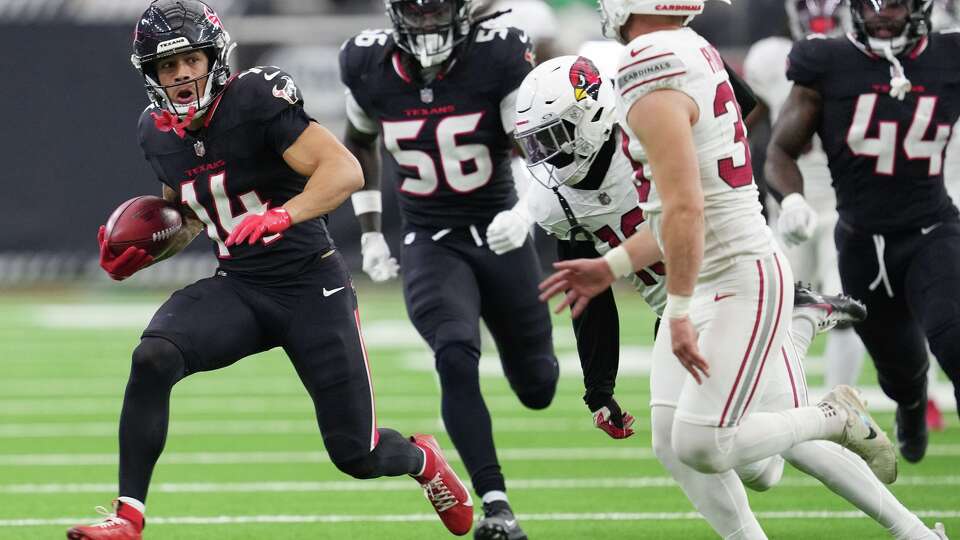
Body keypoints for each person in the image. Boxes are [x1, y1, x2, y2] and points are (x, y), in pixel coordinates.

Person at [67, 2, 473, 539]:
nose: (182, 75)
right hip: (242, 285)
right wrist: (144, 251)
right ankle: (128, 517)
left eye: (190, 59)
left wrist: (284, 213)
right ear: (151, 75)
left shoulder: (257, 99)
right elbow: (193, 215)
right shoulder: (156, 133)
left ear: (214, 58)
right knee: (154, 356)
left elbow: (344, 171)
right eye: (168, 67)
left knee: (357, 451)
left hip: (312, 285)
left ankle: (423, 461)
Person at [522, 54, 947, 540]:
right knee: (754, 468)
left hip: (734, 281)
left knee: (744, 441)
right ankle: (803, 327)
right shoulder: (556, 199)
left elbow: (709, 166)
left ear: (592, 115)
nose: (545, 158)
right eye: (534, 144)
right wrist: (600, 388)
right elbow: (588, 291)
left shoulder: (648, 128)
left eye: (553, 139)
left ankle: (911, 529)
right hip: (676, 305)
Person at [339, 1, 558, 538]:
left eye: (437, 9)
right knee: (455, 353)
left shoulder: (498, 54)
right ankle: (496, 504)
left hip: (499, 231)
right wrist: (370, 232)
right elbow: (359, 143)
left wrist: (524, 211)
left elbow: (533, 146)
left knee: (538, 386)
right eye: (415, 11)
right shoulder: (367, 64)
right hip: (430, 240)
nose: (427, 23)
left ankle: (499, 483)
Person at [765, 0, 960, 464]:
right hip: (860, 242)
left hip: (932, 229)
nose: (881, 14)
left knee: (954, 339)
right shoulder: (826, 63)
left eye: (893, 3)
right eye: (870, 5)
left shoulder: (949, 56)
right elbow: (780, 151)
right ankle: (910, 405)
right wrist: (792, 199)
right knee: (900, 372)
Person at [744, 0, 869, 395]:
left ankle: (838, 402)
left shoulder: (867, 57)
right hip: (790, 204)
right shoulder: (769, 58)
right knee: (777, 309)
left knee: (843, 307)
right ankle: (784, 400)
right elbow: (744, 123)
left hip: (844, 204)